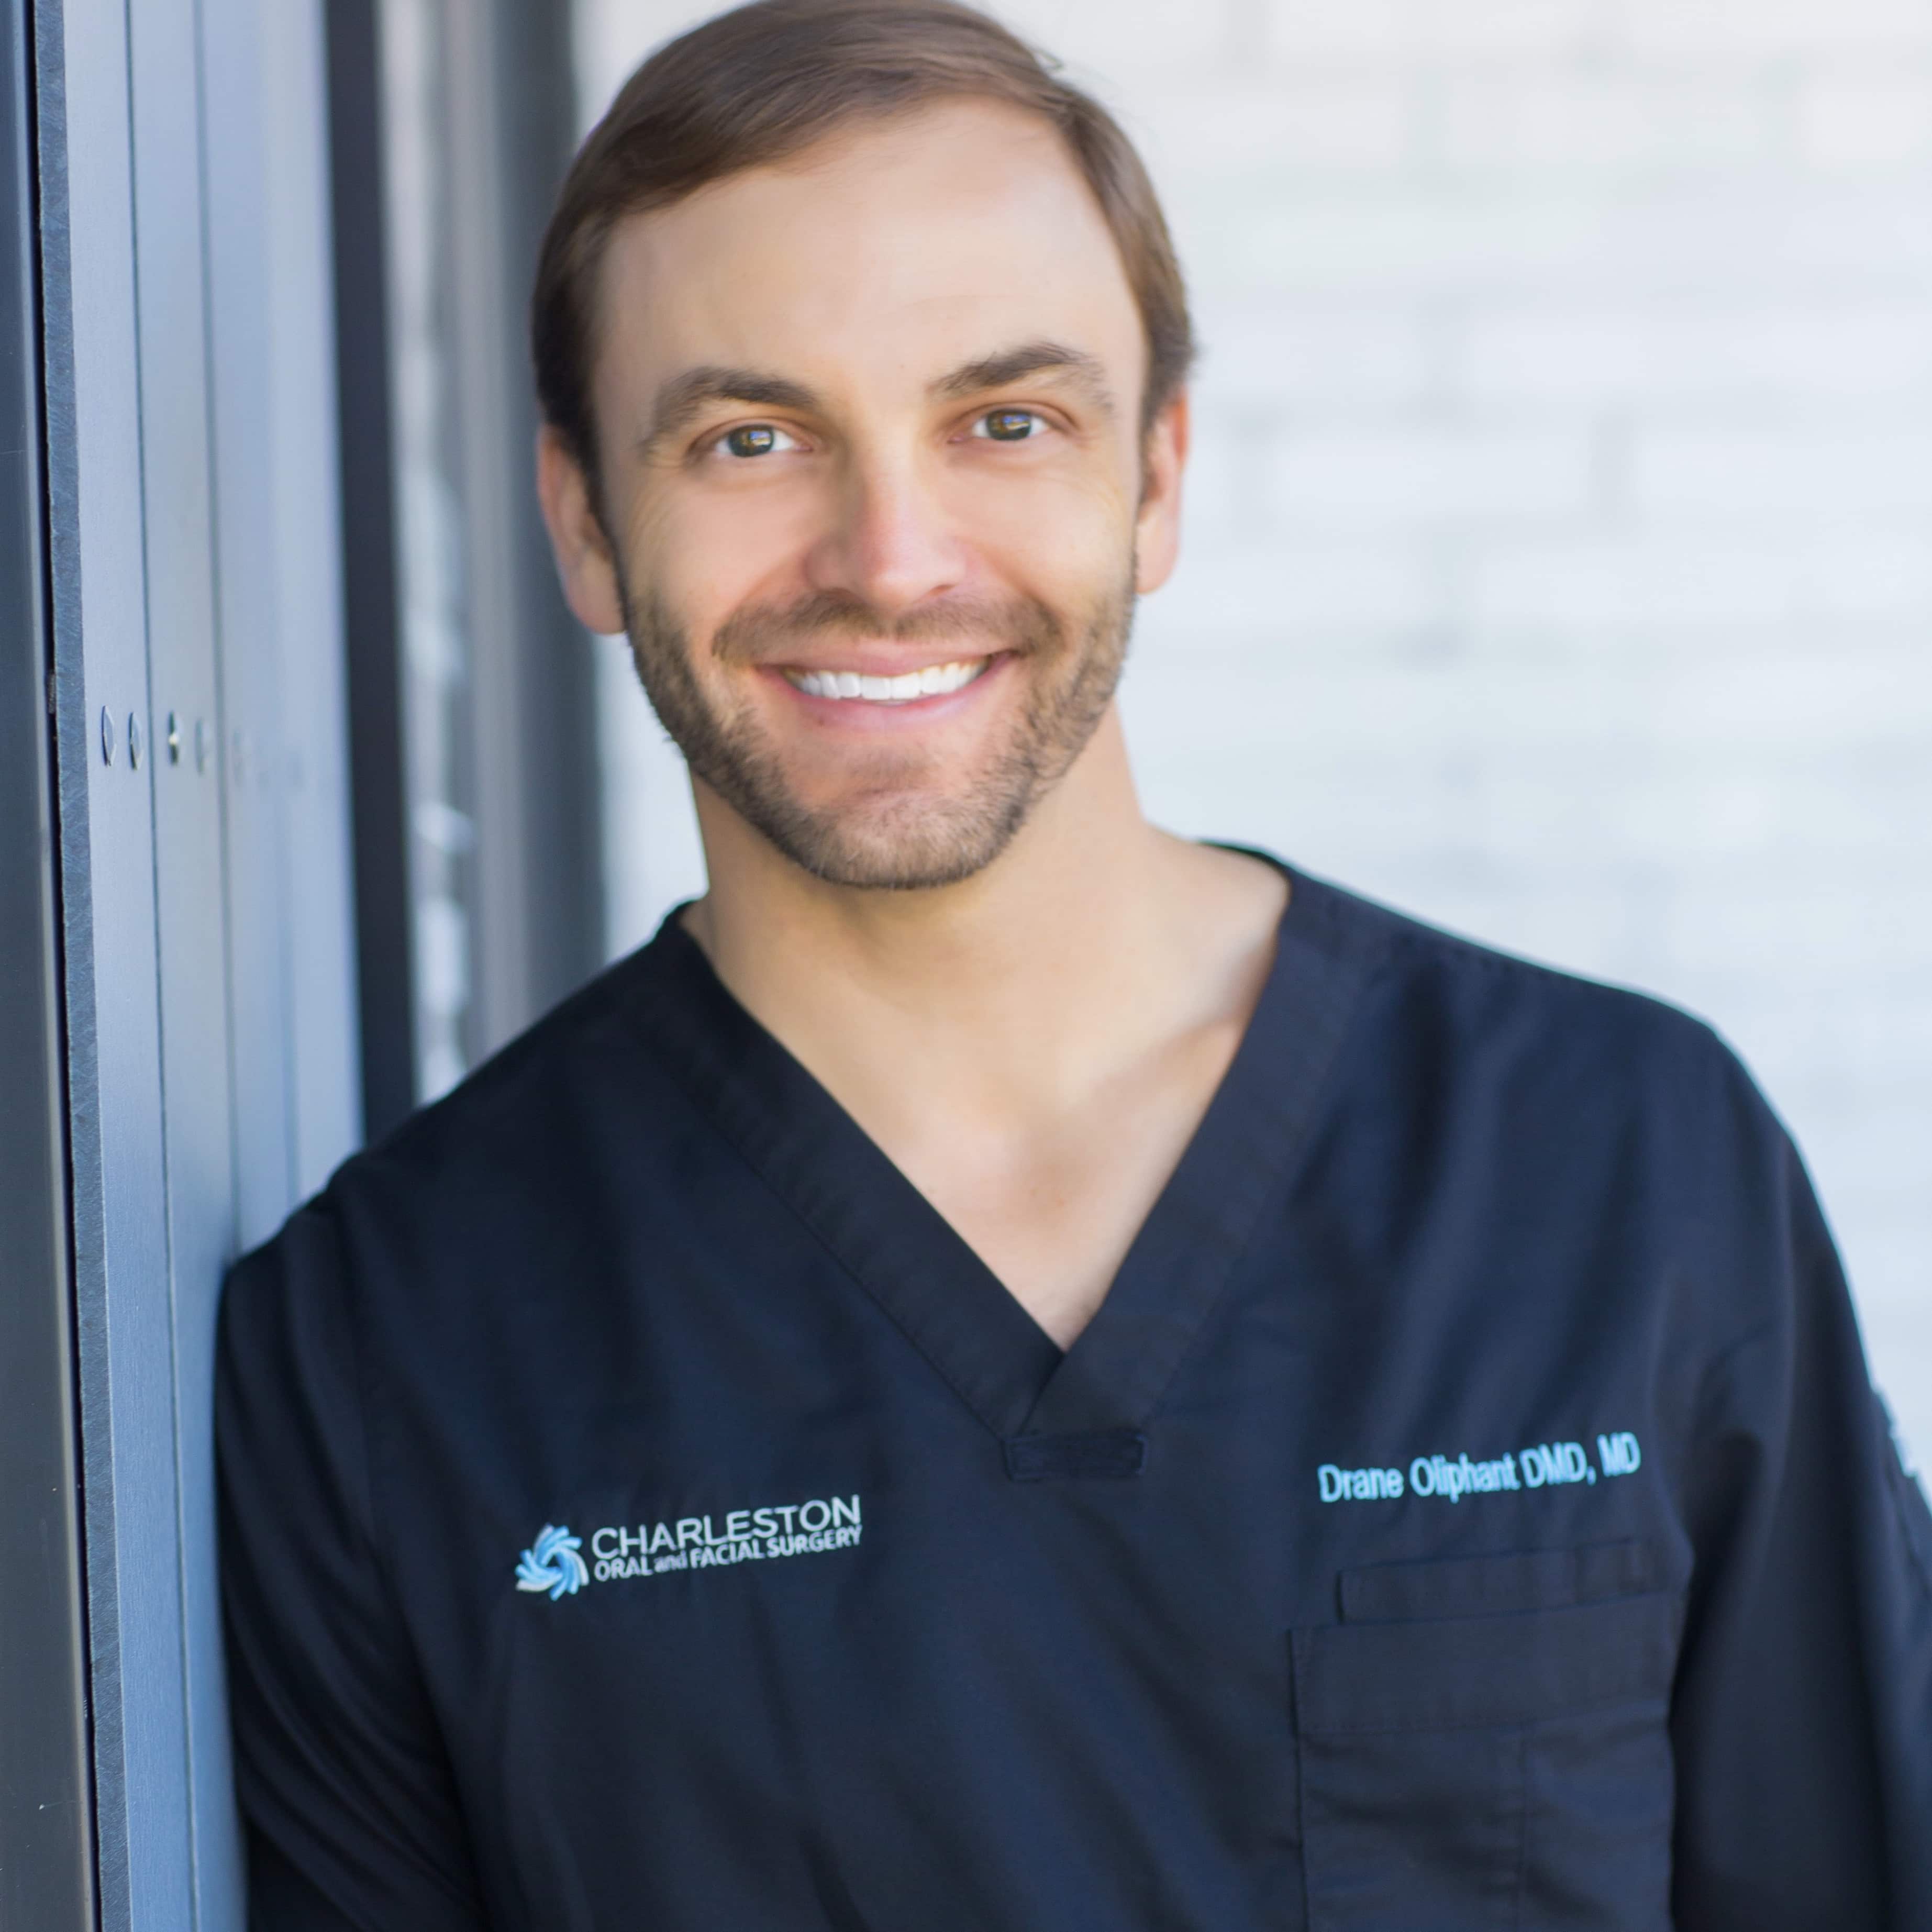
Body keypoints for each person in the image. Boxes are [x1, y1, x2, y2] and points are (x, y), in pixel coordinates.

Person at [216, 2, 1932, 1925]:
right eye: (750, 435)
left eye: (1003, 421)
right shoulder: (391, 1344)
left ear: (1156, 479)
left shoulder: (1621, 1164)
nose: (888, 552)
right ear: (583, 526)